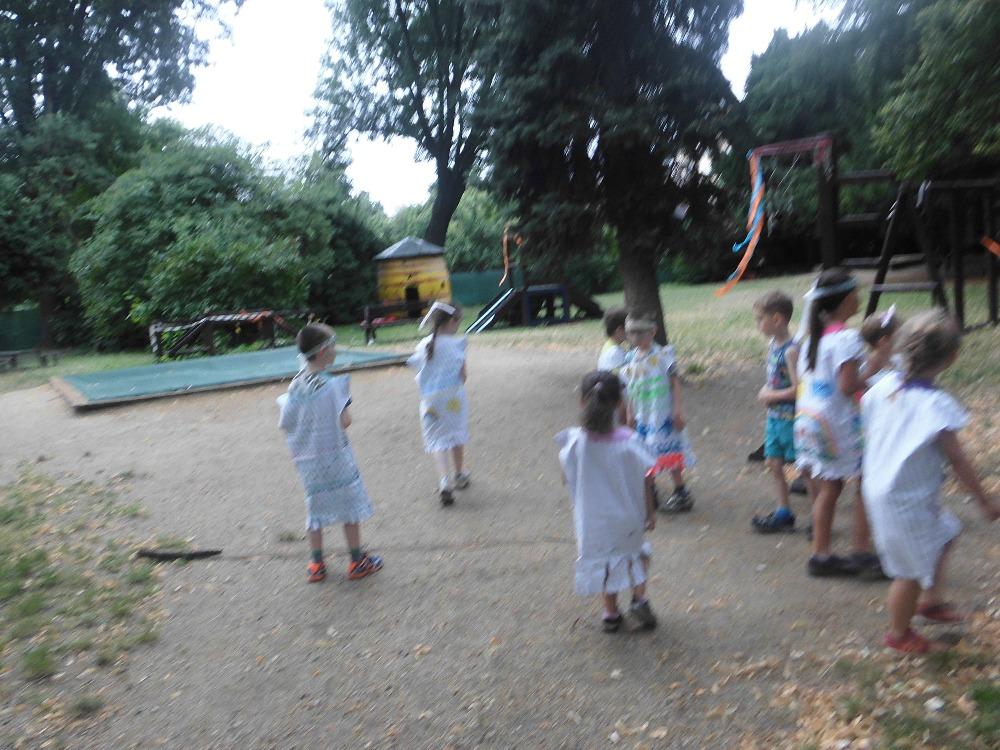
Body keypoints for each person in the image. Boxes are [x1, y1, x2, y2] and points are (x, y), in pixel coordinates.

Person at [862, 310, 999, 654]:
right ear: (952, 358)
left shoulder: (883, 386)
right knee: (907, 573)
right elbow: (958, 460)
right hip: (901, 500)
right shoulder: (935, 406)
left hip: (890, 489)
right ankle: (899, 634)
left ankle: (930, 600)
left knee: (946, 532)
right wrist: (984, 500)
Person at [794, 269, 888, 577]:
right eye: (857, 294)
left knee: (830, 488)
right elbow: (848, 386)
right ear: (847, 299)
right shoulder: (846, 338)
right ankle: (861, 551)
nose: (860, 299)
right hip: (836, 425)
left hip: (809, 421)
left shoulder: (814, 338)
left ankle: (821, 555)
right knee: (863, 480)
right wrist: (874, 366)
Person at [277, 323, 383, 583]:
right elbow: (345, 421)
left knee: (315, 509)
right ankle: (357, 561)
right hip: (336, 457)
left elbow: (286, 421)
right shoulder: (334, 385)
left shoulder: (295, 386)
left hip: (309, 462)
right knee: (349, 507)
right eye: (333, 346)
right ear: (324, 351)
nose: (336, 351)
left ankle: (316, 563)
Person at [556, 371, 658, 632]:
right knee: (637, 555)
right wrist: (650, 512)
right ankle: (639, 598)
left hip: (593, 521)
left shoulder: (575, 442)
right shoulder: (631, 441)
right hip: (628, 517)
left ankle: (610, 613)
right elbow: (647, 478)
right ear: (620, 403)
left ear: (582, 402)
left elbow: (566, 476)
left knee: (606, 564)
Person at [619, 313, 696, 512]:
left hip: (662, 414)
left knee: (669, 450)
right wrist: (630, 412)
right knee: (644, 450)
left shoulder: (663, 355)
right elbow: (631, 387)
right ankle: (649, 490)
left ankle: (681, 491)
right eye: (631, 333)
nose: (635, 337)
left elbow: (674, 383)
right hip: (642, 414)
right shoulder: (630, 358)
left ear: (652, 332)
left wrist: (677, 410)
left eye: (640, 333)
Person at [407, 301, 469, 506]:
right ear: (452, 321)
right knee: (456, 435)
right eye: (458, 321)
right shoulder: (458, 345)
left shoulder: (422, 346)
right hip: (454, 400)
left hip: (430, 402)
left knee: (438, 441)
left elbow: (418, 371)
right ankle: (459, 474)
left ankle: (444, 481)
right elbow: (464, 376)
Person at [750, 291, 800, 533]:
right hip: (774, 417)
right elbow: (775, 380)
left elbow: (799, 389)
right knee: (773, 462)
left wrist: (771, 395)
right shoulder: (773, 345)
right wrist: (767, 390)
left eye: (760, 319)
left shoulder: (791, 350)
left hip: (790, 419)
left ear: (777, 319)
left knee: (804, 468)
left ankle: (819, 516)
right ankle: (783, 512)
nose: (757, 324)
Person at [859, 304, 902, 388]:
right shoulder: (867, 369)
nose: (903, 339)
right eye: (899, 335)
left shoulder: (898, 360)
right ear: (884, 341)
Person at [597, 307, 629, 372]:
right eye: (630, 328)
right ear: (619, 330)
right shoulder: (615, 352)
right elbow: (625, 376)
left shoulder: (608, 345)